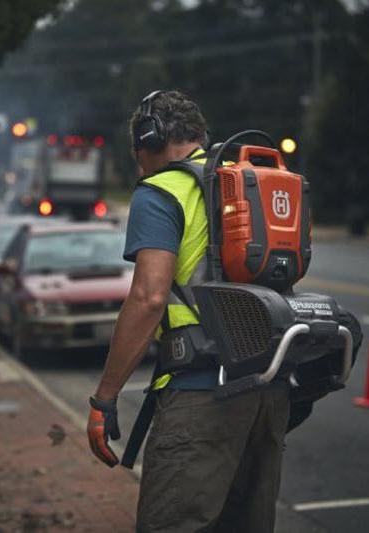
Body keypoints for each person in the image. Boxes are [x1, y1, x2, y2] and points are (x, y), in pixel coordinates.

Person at [87, 90, 291, 532]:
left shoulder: (161, 191)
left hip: (202, 394)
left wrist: (104, 398)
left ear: (149, 138)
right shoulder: (246, 183)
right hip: (267, 393)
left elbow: (148, 298)